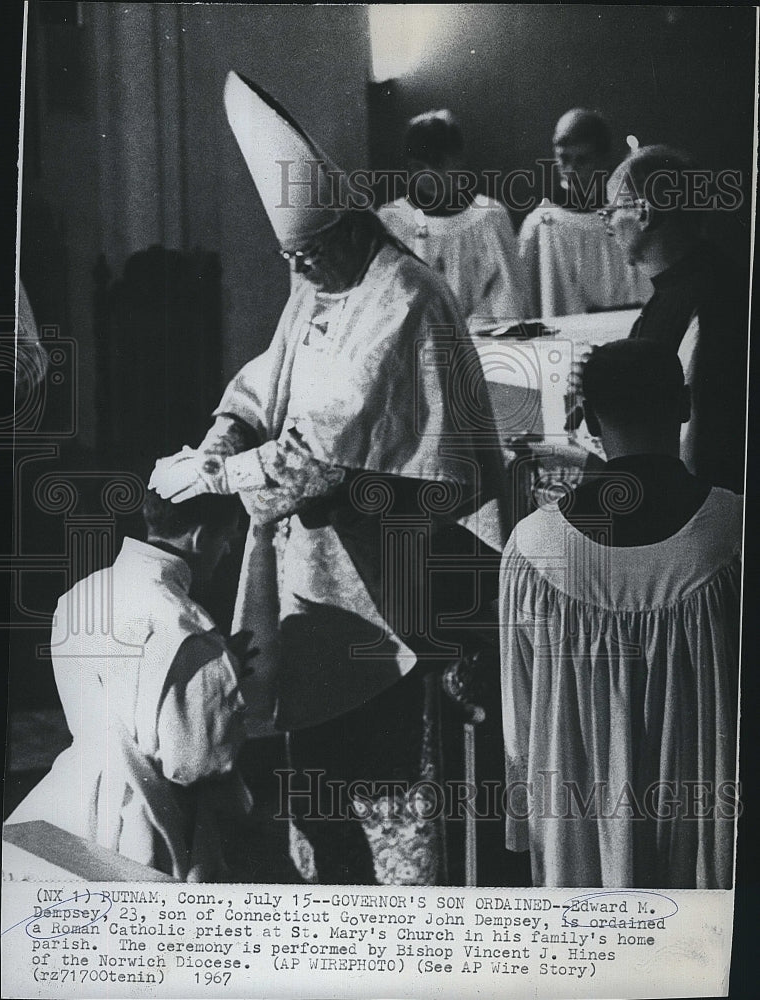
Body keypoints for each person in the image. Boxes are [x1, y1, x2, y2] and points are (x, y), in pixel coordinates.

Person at [150, 72, 511, 886]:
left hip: (396, 567)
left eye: (310, 254)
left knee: (387, 772)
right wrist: (227, 427)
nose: (301, 270)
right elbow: (264, 378)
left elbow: (318, 453)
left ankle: (407, 921)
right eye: (289, 259)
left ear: (348, 230)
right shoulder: (318, 282)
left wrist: (218, 471)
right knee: (319, 770)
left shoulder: (402, 299)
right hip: (316, 574)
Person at [499, 339, 741, 889]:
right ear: (684, 405)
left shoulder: (534, 547)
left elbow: (521, 715)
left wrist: (525, 828)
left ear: (582, 419)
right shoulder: (735, 530)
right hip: (708, 821)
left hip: (577, 829)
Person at [6, 490, 260, 881]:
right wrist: (222, 691)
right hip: (146, 822)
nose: (227, 552)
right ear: (200, 537)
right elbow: (193, 764)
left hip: (72, 797)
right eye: (227, 538)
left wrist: (212, 670)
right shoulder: (184, 624)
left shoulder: (83, 593)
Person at [600, 143, 749, 493]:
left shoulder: (711, 301)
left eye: (610, 212)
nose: (606, 226)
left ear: (645, 214)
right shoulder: (688, 287)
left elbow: (701, 448)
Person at [378, 109, 528, 327]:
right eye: (418, 167)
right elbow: (386, 297)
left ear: (458, 160)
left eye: (437, 163)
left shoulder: (489, 217)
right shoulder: (393, 220)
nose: (427, 175)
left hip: (480, 340)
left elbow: (506, 291)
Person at [519, 108, 650, 317]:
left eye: (582, 160)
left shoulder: (630, 219)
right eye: (564, 159)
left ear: (604, 159)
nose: (570, 170)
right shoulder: (540, 226)